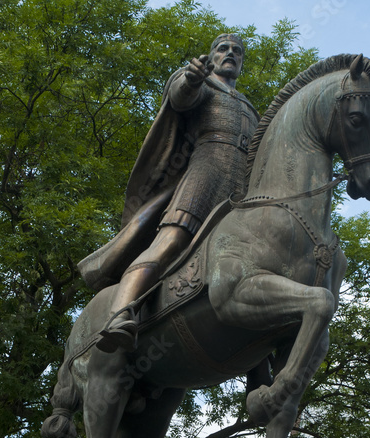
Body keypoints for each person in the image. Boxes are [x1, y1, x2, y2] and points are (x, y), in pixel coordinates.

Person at [90, 33, 259, 352]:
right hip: (204, 175)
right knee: (172, 240)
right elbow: (180, 98)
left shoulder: (250, 107)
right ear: (212, 54)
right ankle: (119, 312)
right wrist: (191, 79)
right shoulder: (202, 82)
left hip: (241, 189)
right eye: (223, 49)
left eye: (237, 51)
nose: (230, 54)